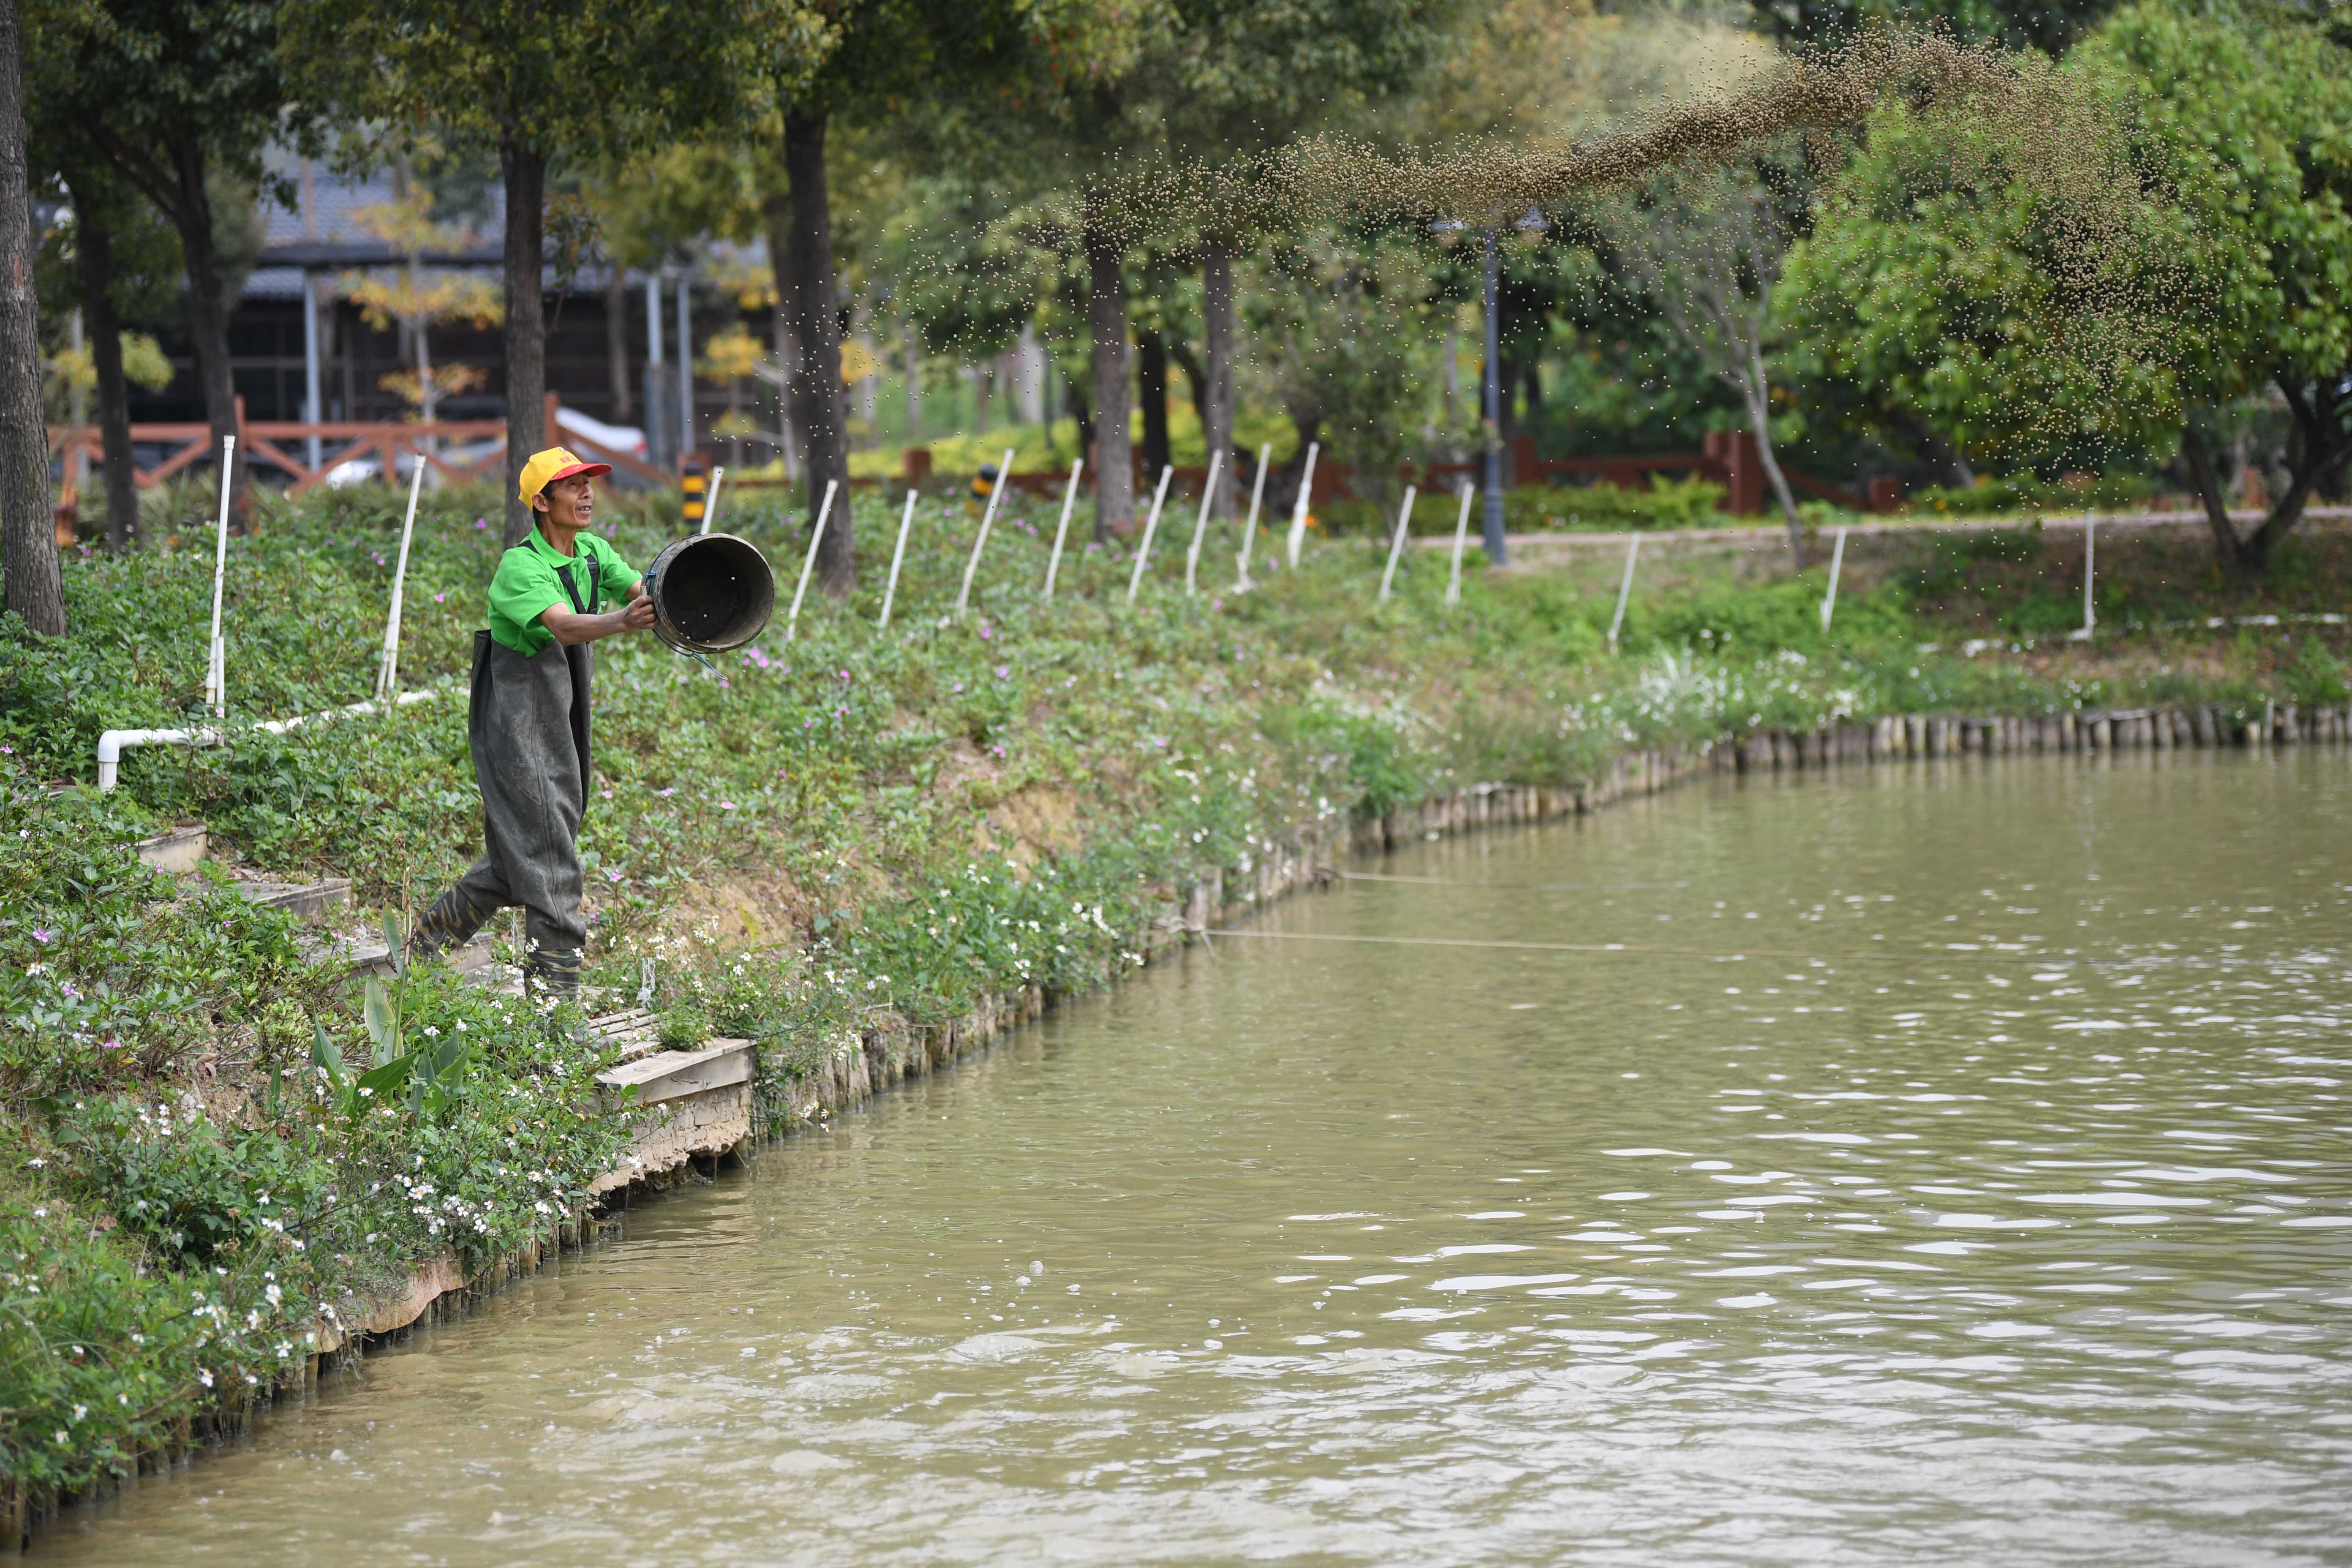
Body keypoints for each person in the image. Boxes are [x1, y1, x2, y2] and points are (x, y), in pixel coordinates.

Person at [410, 447, 656, 998]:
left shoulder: (592, 553)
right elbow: (565, 628)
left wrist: (671, 600)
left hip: (563, 711)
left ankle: (425, 948)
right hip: (516, 715)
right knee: (550, 858)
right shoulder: (521, 566)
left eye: (589, 482)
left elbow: (642, 589)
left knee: (514, 860)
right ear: (541, 502)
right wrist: (622, 621)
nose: (587, 493)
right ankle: (555, 1013)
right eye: (572, 486)